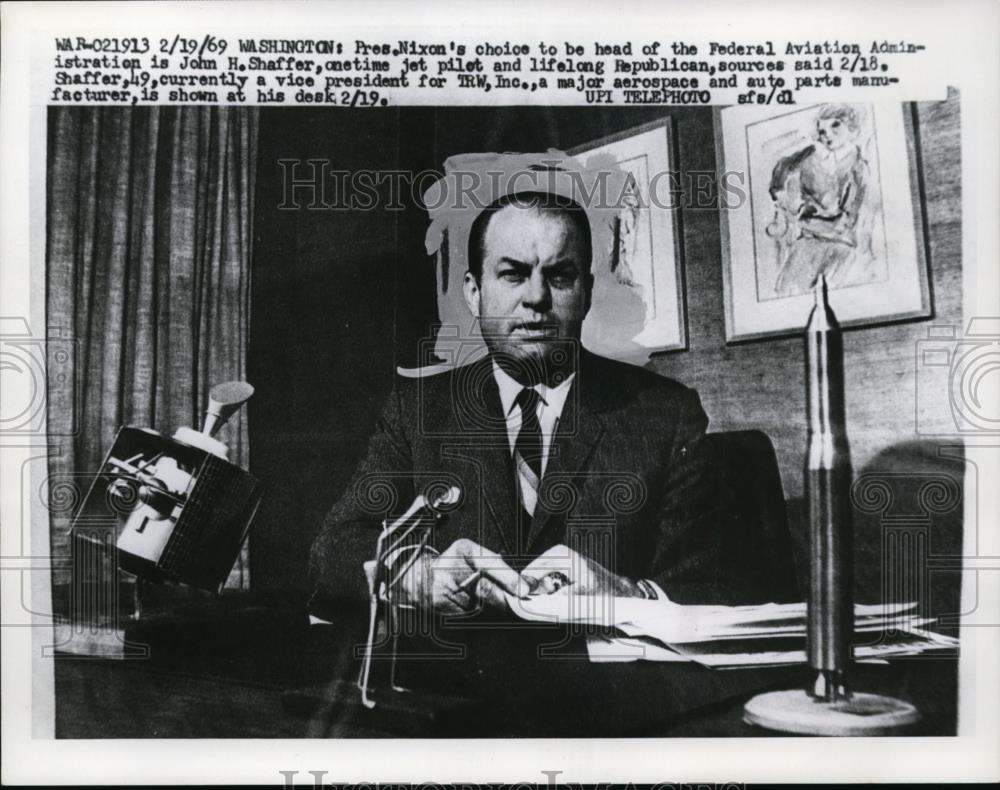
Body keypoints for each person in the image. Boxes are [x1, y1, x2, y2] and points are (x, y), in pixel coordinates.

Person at [310, 190, 791, 621]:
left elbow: (717, 587)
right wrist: (415, 578)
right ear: (474, 293)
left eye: (560, 277)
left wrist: (625, 593)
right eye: (513, 274)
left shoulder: (665, 414)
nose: (536, 298)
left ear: (586, 294)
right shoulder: (419, 411)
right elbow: (334, 550)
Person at [767, 104, 876, 297]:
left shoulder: (859, 168)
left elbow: (844, 223)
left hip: (840, 246)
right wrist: (787, 206)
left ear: (853, 129)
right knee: (786, 292)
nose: (827, 135)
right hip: (808, 243)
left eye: (836, 126)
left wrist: (802, 221)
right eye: (822, 131)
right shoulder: (809, 161)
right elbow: (785, 186)